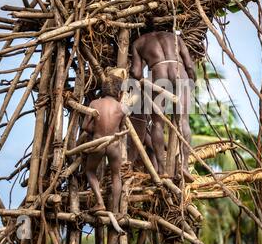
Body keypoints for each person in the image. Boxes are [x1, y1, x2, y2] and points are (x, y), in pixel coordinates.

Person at [131, 31, 196, 181]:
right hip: (179, 73)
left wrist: (140, 82)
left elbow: (136, 71)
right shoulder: (175, 37)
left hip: (158, 75)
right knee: (183, 121)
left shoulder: (139, 42)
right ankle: (184, 166)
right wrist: (191, 82)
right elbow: (190, 66)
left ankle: (161, 169)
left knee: (157, 124)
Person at [81, 74, 125, 213]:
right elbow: (122, 127)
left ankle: (100, 202)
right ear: (119, 93)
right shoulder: (121, 107)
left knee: (90, 171)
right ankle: (117, 211)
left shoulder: (94, 103)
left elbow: (85, 127)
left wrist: (94, 129)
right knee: (116, 175)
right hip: (113, 145)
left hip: (98, 142)